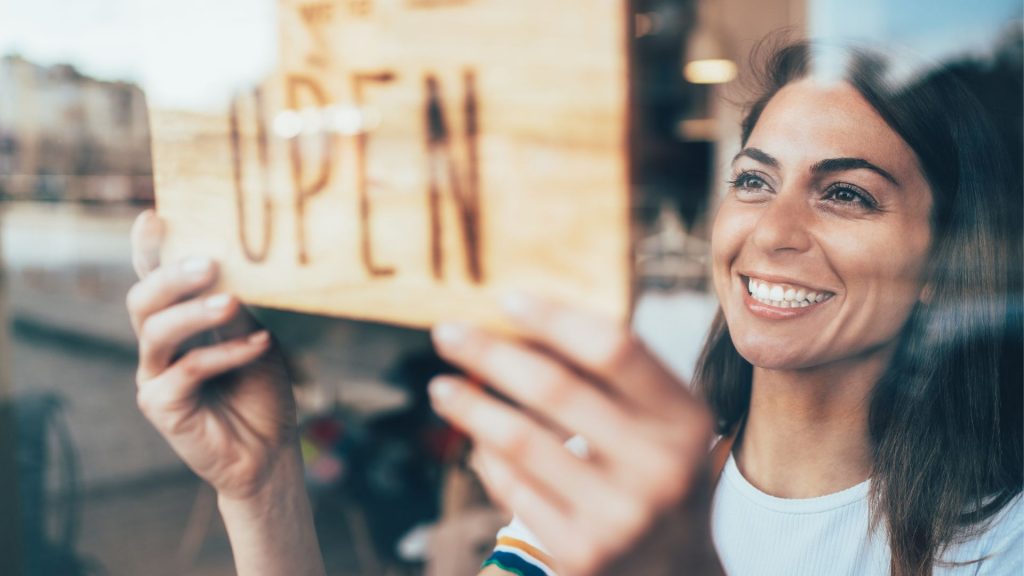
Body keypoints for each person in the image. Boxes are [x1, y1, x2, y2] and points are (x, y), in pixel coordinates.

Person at [126, 39, 1022, 576]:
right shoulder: (599, 481)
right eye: (754, 181)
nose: (773, 232)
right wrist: (263, 485)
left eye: (848, 196)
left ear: (947, 257)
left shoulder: (998, 544)